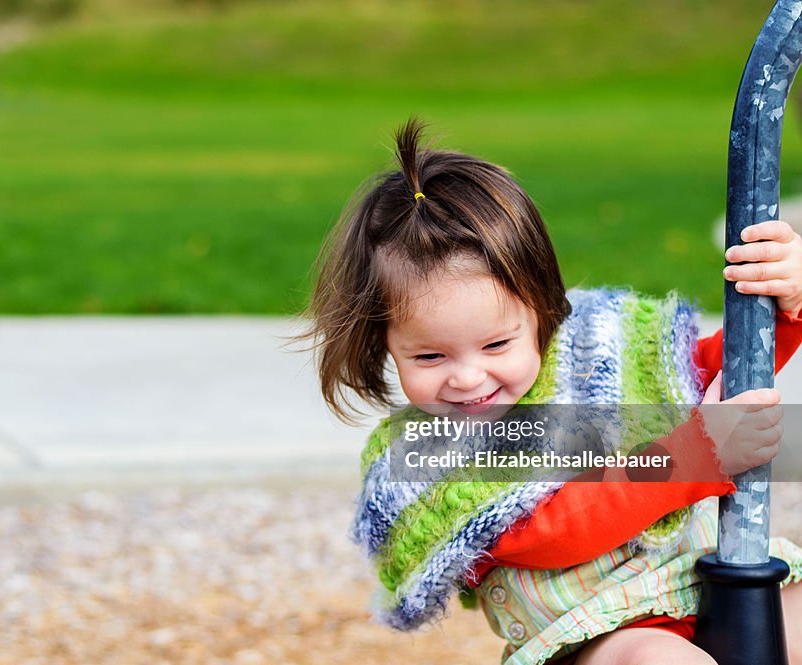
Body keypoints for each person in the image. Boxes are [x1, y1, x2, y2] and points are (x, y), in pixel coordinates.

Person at [303, 118, 802, 664]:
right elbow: (558, 527)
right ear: (384, 344)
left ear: (541, 309)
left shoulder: (598, 353)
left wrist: (786, 301)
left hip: (709, 581)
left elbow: (720, 366)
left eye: (496, 345)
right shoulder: (429, 456)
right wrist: (697, 455)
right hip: (602, 634)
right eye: (429, 356)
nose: (468, 378)